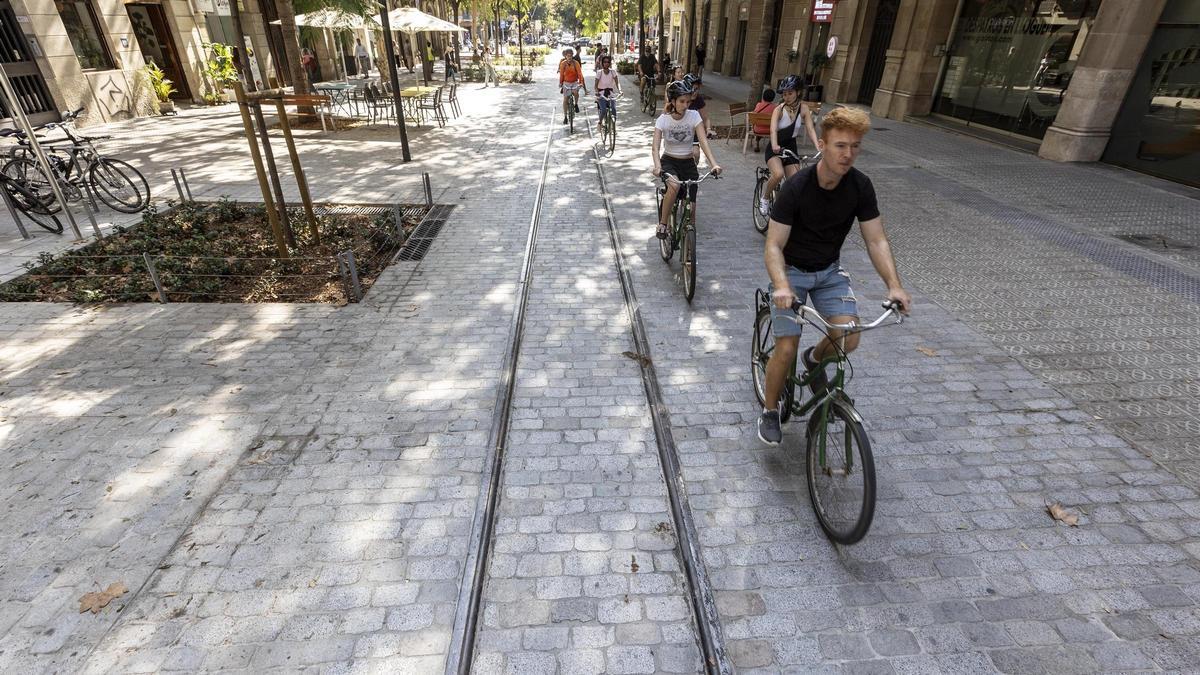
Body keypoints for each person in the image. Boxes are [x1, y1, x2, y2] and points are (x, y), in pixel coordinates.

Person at [756, 107, 912, 445]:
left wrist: (894, 285)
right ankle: (770, 410)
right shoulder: (796, 187)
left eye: (855, 146)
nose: (848, 154)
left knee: (849, 336)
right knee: (786, 347)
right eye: (841, 146)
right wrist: (782, 285)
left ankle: (814, 358)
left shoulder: (859, 186)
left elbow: (876, 239)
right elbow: (773, 246)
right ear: (823, 144)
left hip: (828, 271)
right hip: (791, 273)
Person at [651, 80, 722, 240]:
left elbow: (703, 142)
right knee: (674, 186)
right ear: (673, 101)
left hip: (688, 163)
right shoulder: (663, 119)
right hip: (669, 161)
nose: (685, 105)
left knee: (692, 205)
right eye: (682, 101)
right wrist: (657, 166)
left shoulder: (694, 115)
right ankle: (663, 224)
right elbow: (655, 147)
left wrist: (713, 163)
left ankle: (688, 247)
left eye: (688, 101)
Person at [760, 75, 820, 217]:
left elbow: (810, 129)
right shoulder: (779, 109)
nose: (786, 97)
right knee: (778, 174)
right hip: (776, 147)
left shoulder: (804, 108)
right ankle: (765, 197)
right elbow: (773, 130)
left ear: (798, 92)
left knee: (796, 180)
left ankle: (785, 203)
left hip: (791, 146)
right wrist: (774, 145)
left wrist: (818, 146)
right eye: (785, 94)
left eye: (790, 93)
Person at [558, 47, 587, 123]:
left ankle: (576, 104)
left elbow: (580, 73)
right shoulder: (563, 64)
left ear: (572, 56)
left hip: (574, 82)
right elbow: (561, 74)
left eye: (570, 56)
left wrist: (580, 82)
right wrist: (560, 83)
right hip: (566, 82)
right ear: (565, 56)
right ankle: (565, 116)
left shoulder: (576, 63)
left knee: (576, 93)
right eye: (568, 56)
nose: (569, 57)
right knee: (565, 99)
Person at [594, 54, 621, 131]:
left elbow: (617, 82)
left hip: (610, 94)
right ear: (602, 63)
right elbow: (595, 85)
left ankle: (613, 125)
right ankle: (599, 123)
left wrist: (620, 90)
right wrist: (596, 92)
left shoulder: (613, 72)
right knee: (603, 110)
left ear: (610, 63)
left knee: (614, 109)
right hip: (601, 94)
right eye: (605, 62)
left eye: (608, 62)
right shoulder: (599, 72)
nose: (606, 63)